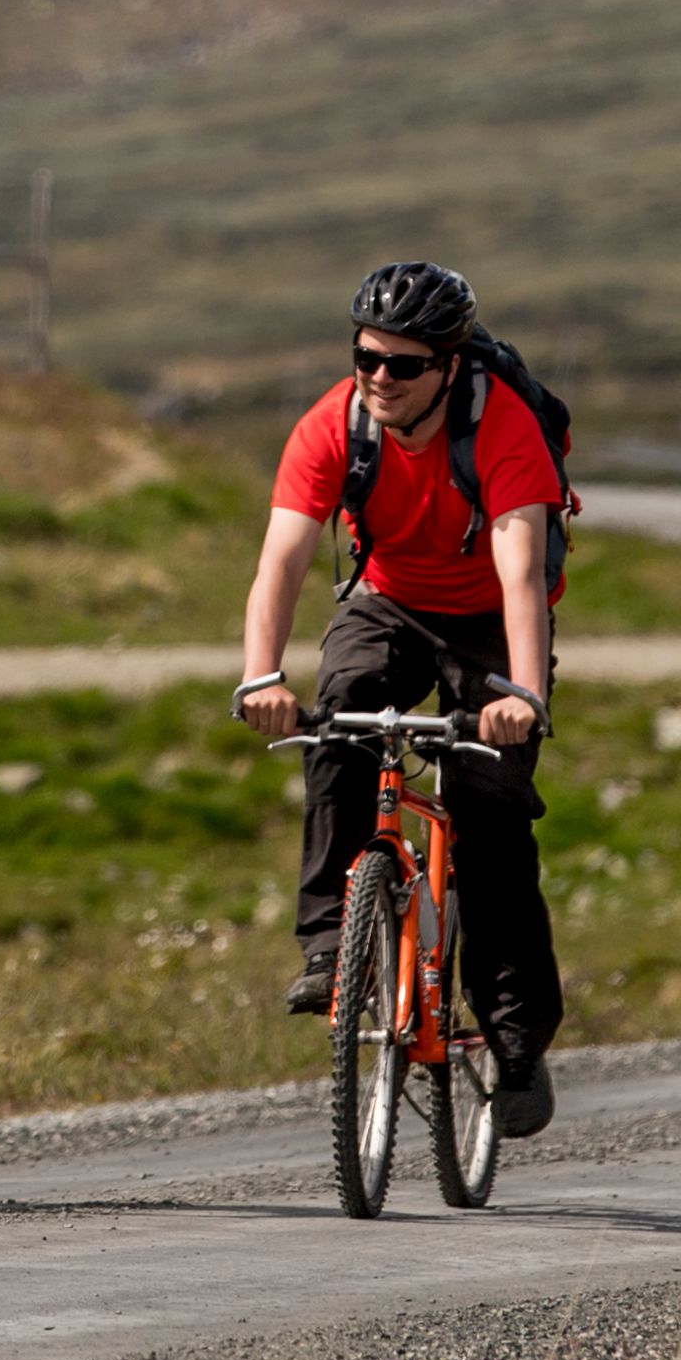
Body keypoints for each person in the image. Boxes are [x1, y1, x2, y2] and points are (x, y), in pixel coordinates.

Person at [234, 260, 565, 1139]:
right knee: (339, 712)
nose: (380, 377)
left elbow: (523, 570)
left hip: (489, 615)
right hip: (387, 600)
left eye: (404, 364)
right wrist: (262, 676)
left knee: (490, 808)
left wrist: (523, 693)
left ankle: (514, 1036)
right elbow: (283, 560)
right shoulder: (333, 422)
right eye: (367, 357)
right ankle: (330, 946)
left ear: (449, 366)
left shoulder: (503, 429)